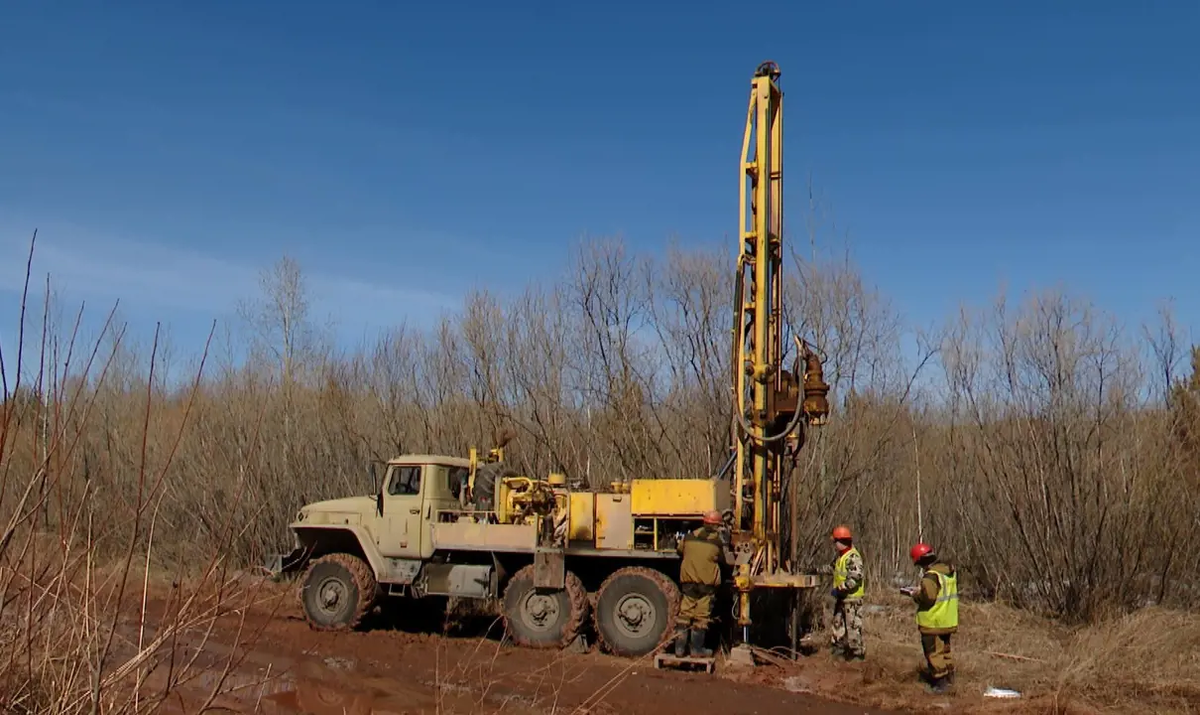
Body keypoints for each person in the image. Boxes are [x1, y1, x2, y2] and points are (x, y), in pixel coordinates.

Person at [673, 510, 732, 658]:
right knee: (701, 617)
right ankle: (696, 650)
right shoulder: (717, 542)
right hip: (706, 586)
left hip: (688, 583)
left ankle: (679, 649)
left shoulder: (689, 537)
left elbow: (680, 550)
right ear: (717, 526)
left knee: (684, 615)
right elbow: (723, 560)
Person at [904, 542, 959, 693]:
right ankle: (950, 679)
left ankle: (940, 684)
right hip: (947, 620)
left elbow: (928, 598)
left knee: (933, 653)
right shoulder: (948, 572)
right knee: (945, 651)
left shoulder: (930, 576)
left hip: (933, 622)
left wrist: (915, 594)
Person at [828, 524, 866, 660]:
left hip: (852, 600)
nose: (834, 545)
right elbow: (830, 568)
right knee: (837, 626)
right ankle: (838, 652)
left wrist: (840, 588)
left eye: (836, 542)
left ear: (842, 542)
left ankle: (857, 655)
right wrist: (813, 570)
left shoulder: (853, 557)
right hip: (842, 598)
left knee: (853, 628)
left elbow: (855, 577)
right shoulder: (841, 557)